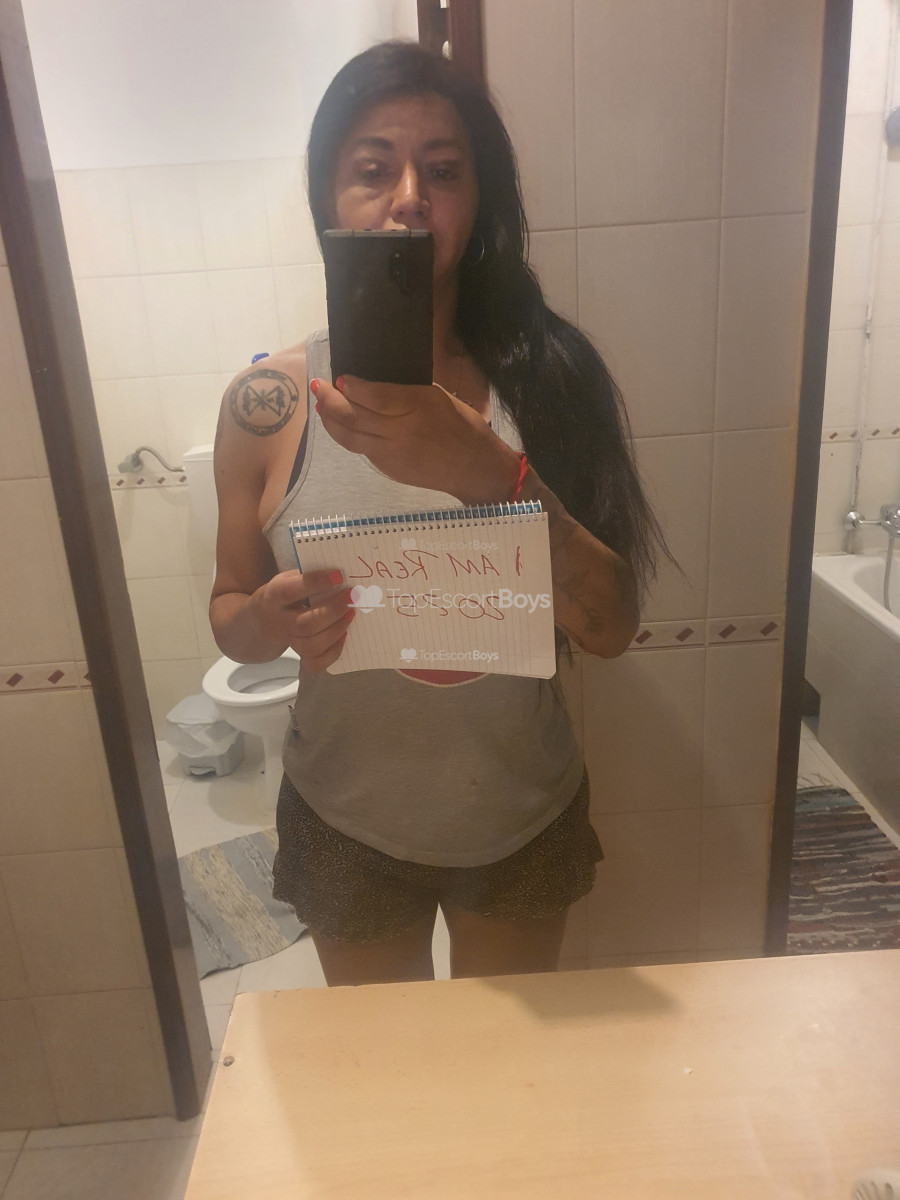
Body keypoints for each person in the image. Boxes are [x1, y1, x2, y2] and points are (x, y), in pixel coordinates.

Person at [210, 40, 665, 987]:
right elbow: (230, 615)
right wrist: (267, 619)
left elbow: (611, 627)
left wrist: (489, 473)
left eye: (444, 171)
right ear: (328, 195)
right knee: (388, 1070)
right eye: (373, 168)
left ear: (479, 198)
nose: (409, 197)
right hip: (346, 812)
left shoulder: (550, 379)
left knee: (506, 1066)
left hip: (519, 808)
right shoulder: (265, 405)